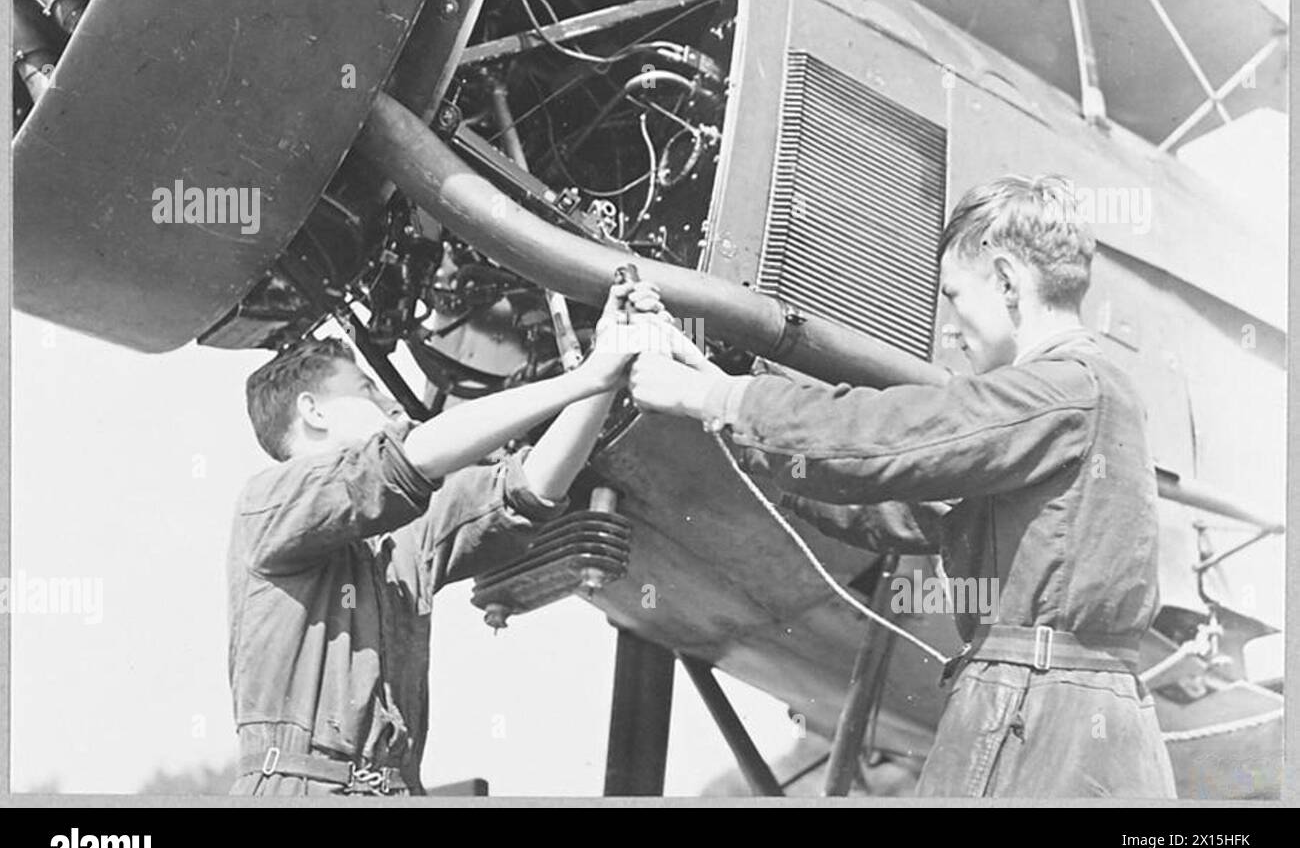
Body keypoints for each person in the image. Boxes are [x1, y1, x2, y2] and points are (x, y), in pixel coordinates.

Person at [628, 174, 1177, 798]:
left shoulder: (1064, 391)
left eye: (955, 297)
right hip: (1064, 718)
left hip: (1037, 713)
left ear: (1005, 281)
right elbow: (900, 506)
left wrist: (719, 396)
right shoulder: (1084, 400)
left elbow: (889, 439)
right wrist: (714, 397)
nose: (950, 329)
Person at [227, 279, 664, 795]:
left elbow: (530, 488)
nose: (395, 406)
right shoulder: (269, 504)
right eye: (368, 390)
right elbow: (404, 462)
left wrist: (607, 370)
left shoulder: (403, 533)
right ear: (313, 412)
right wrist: (583, 377)